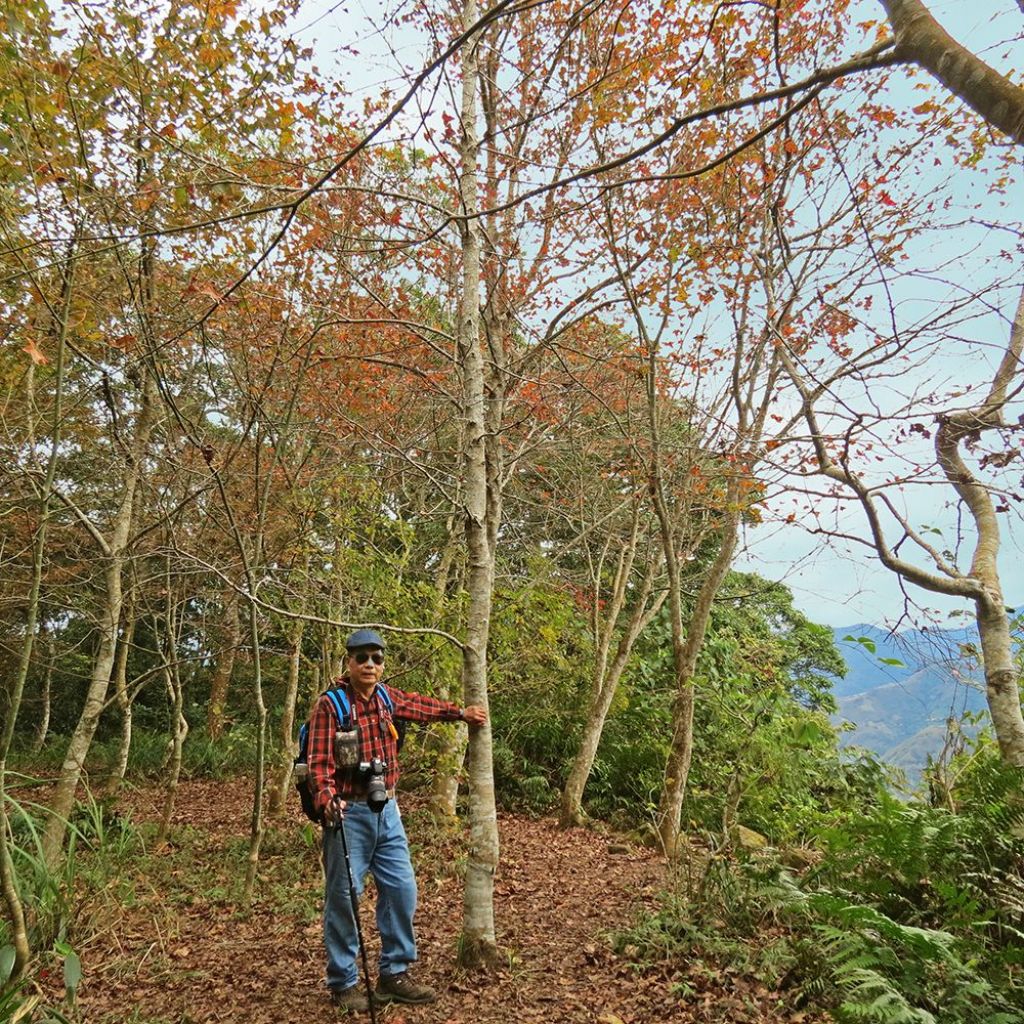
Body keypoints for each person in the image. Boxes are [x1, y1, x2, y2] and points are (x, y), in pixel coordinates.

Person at [306, 628, 487, 1013]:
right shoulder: (331, 705)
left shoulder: (388, 697)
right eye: (362, 658)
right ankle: (343, 982)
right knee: (344, 898)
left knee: (402, 890)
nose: (370, 665)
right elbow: (319, 763)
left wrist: (461, 713)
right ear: (349, 661)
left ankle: (394, 974)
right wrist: (327, 800)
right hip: (348, 813)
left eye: (377, 658)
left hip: (387, 810)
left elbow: (421, 707)